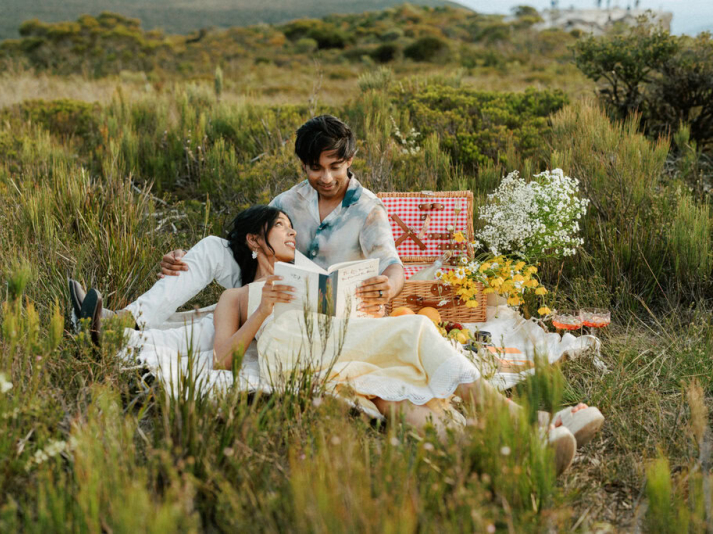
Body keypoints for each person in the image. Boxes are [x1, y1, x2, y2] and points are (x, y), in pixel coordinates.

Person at [76, 205, 604, 475]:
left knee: (389, 385)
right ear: (257, 241)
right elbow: (221, 359)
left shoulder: (311, 269)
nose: (291, 232)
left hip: (338, 338)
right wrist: (260, 310)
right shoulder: (238, 295)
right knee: (416, 334)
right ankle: (526, 425)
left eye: (291, 225)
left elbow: (357, 298)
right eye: (280, 227)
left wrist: (353, 296)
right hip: (289, 351)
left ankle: (506, 448)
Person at [94, 114, 404, 330]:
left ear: (349, 160)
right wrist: (185, 259)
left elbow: (393, 265)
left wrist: (388, 285)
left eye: (335, 167)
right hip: (271, 287)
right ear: (304, 165)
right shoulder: (287, 201)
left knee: (218, 317)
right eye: (315, 168)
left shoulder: (367, 209)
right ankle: (128, 320)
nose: (325, 178)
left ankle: (129, 336)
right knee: (213, 248)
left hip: (321, 310)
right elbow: (249, 244)